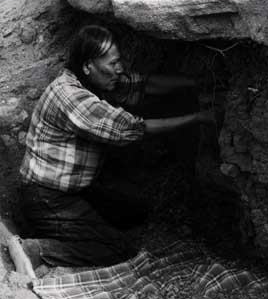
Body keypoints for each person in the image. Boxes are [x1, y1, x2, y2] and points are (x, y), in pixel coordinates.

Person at [6, 25, 215, 278]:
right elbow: (129, 128)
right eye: (113, 63)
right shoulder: (72, 97)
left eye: (119, 62)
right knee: (117, 248)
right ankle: (36, 250)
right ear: (88, 66)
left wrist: (196, 83)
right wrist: (198, 118)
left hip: (71, 191)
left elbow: (139, 84)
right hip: (46, 198)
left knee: (134, 211)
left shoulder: (92, 80)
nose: (119, 69)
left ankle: (66, 230)